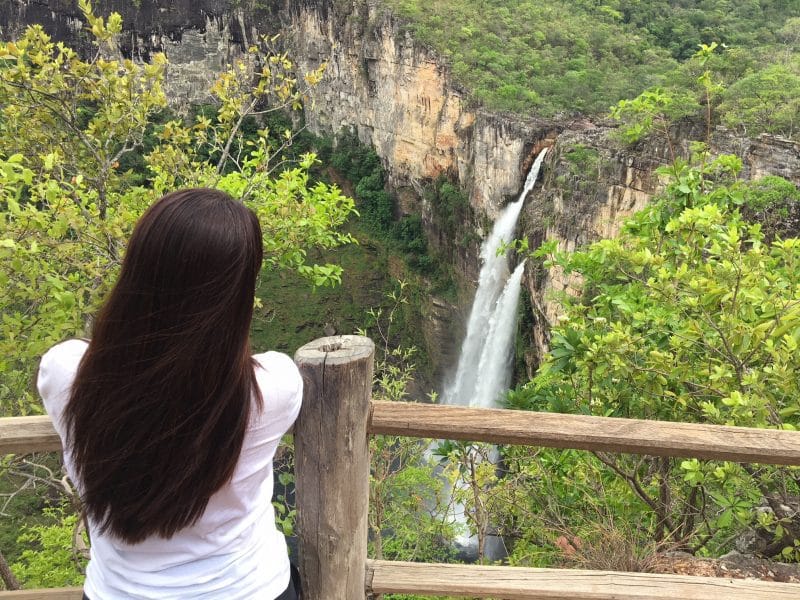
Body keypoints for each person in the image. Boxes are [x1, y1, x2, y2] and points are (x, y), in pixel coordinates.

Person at [37, 189, 303, 599]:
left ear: (136, 273)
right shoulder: (274, 387)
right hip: (250, 589)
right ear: (239, 292)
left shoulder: (66, 374)